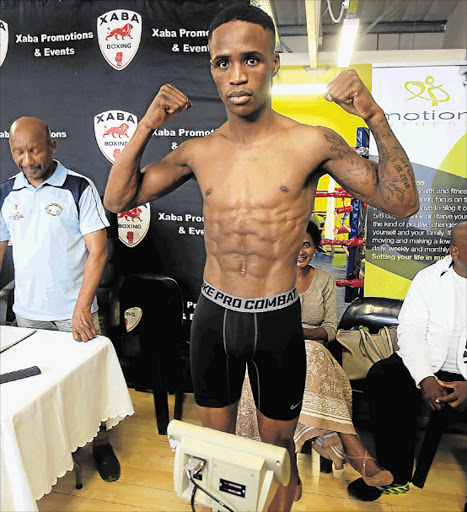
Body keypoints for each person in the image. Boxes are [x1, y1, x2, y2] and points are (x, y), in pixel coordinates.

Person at [103, 4, 418, 509]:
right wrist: (146, 125)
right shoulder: (198, 151)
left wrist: (373, 116)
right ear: (212, 69)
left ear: (275, 63)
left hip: (275, 320)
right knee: (215, 451)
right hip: (213, 317)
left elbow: (402, 202)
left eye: (250, 59)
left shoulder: (311, 141)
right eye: (222, 63)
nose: (236, 75)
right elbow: (118, 200)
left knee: (277, 454)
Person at [0, 116, 120, 483]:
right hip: (27, 314)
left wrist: (82, 305)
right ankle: (52, 450)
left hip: (73, 313)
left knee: (88, 387)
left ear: (52, 146)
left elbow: (98, 252)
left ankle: (100, 444)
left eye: (34, 149)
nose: (26, 159)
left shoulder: (78, 188)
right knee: (38, 391)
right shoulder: (6, 193)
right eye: (18, 151)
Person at [236, 221, 393, 501]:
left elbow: (331, 329)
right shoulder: (268, 277)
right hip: (269, 354)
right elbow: (255, 324)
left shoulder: (324, 280)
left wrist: (297, 333)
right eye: (294, 244)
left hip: (311, 353)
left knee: (313, 353)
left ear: (315, 246)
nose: (300, 250)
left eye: (306, 243)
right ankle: (356, 452)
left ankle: (290, 469)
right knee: (307, 356)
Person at [348, 220, 467, 502]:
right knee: (384, 376)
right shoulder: (428, 279)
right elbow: (410, 331)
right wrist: (424, 376)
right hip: (427, 363)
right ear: (454, 251)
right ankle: (394, 472)